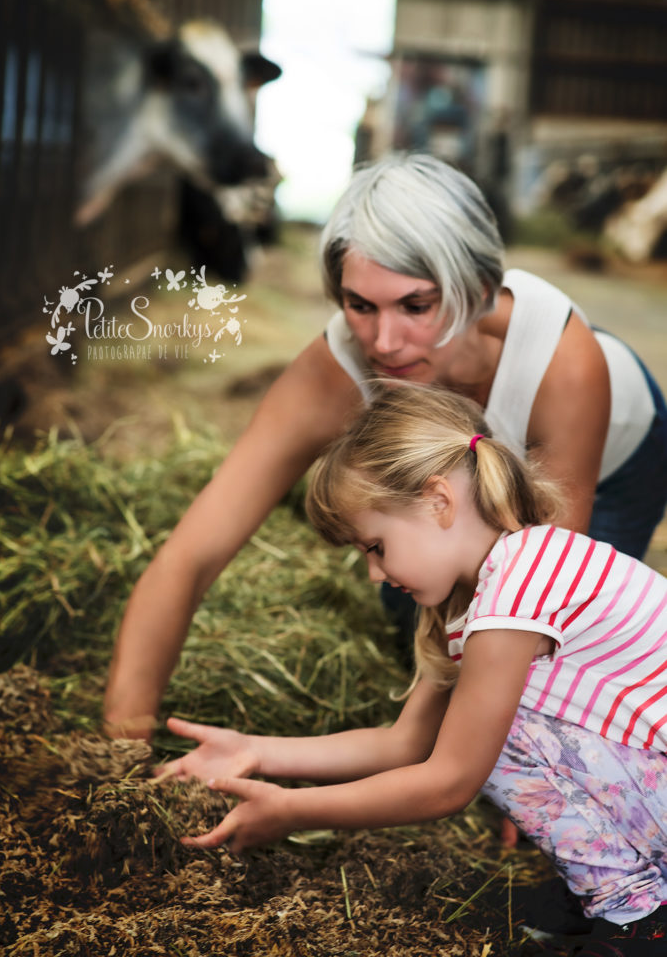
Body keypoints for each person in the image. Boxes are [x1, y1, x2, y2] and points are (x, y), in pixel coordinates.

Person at [103, 152, 667, 738]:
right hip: (458, 484)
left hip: (617, 460)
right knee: (425, 624)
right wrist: (124, 736)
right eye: (360, 305)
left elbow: (545, 585)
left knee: (563, 665)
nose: (385, 342)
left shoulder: (562, 365)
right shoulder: (338, 368)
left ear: (477, 290)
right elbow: (191, 556)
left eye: (416, 305)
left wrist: (481, 751)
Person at [157, 384, 667, 957]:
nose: (374, 575)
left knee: (482, 735)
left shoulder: (523, 583)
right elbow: (404, 743)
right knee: (473, 724)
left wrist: (290, 810)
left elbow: (448, 782)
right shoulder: (488, 593)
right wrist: (254, 751)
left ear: (438, 501)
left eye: (375, 546)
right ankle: (621, 894)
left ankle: (640, 914)